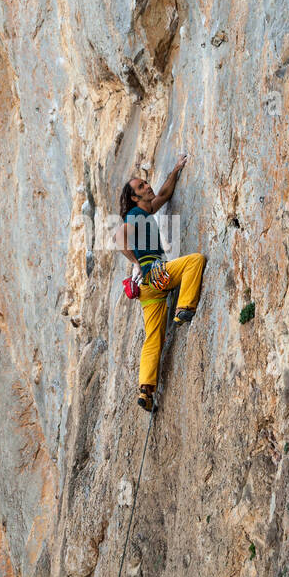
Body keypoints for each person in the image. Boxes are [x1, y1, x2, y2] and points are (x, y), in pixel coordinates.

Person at [115, 154, 206, 412]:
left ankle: (145, 389)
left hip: (146, 289)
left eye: (145, 183)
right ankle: (184, 308)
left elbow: (164, 195)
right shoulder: (134, 214)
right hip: (154, 274)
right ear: (134, 197)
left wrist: (176, 169)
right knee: (194, 261)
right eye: (141, 187)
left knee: (153, 337)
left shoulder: (144, 210)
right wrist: (136, 263)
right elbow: (118, 238)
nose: (148, 187)